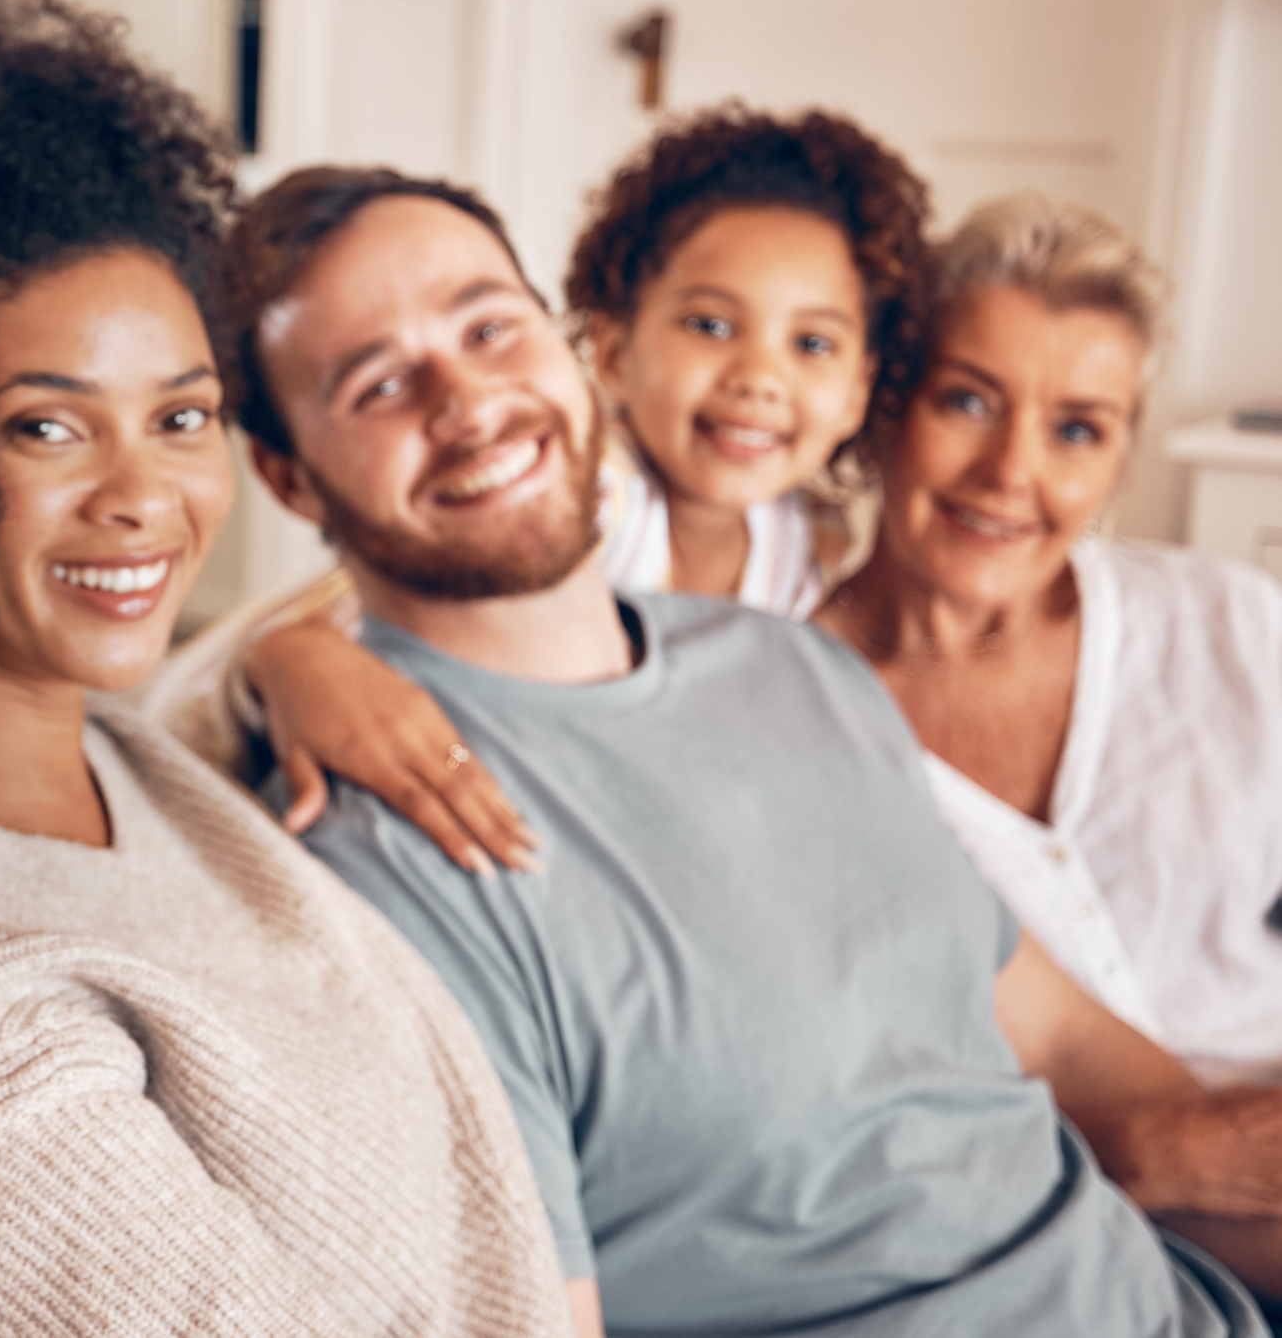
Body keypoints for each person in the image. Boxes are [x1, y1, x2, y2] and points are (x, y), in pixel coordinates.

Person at [224, 163, 1267, 1336]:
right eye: (378, 383)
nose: (467, 400)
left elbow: (1059, 1037)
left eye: (489, 328)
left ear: (566, 350)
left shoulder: (796, 662)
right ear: (284, 474)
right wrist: (281, 656)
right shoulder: (386, 847)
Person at [0, 2, 570, 1334]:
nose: (145, 496)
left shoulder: (135, 756)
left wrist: (284, 659)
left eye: (183, 416)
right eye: (48, 426)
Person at [147, 107, 933, 871]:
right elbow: (210, 683)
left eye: (813, 343)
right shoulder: (589, 499)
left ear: (861, 386)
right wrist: (286, 663)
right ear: (612, 352)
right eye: (710, 327)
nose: (760, 380)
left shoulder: (816, 543)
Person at [815, 192, 1282, 1298]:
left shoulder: (1230, 623)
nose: (1010, 472)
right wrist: (1157, 1152)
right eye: (968, 401)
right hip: (1039, 1236)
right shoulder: (794, 710)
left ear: (1120, 454)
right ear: (885, 408)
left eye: (1077, 428)